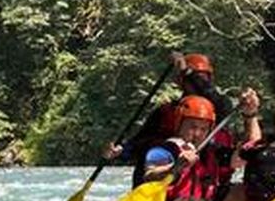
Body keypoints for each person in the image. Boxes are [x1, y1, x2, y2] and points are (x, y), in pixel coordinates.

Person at [103, 53, 247, 189]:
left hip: (203, 186)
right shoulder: (166, 111)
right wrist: (120, 151)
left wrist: (188, 72)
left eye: (204, 79)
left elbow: (219, 103)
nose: (199, 83)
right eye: (196, 78)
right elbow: (139, 143)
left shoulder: (217, 109)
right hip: (163, 177)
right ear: (180, 82)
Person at [137, 95, 248, 201]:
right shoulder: (162, 151)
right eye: (192, 127)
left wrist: (251, 115)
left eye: (203, 129)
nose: (197, 133)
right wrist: (176, 167)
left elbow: (250, 152)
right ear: (179, 124)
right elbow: (150, 174)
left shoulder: (212, 154)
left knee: (246, 190)